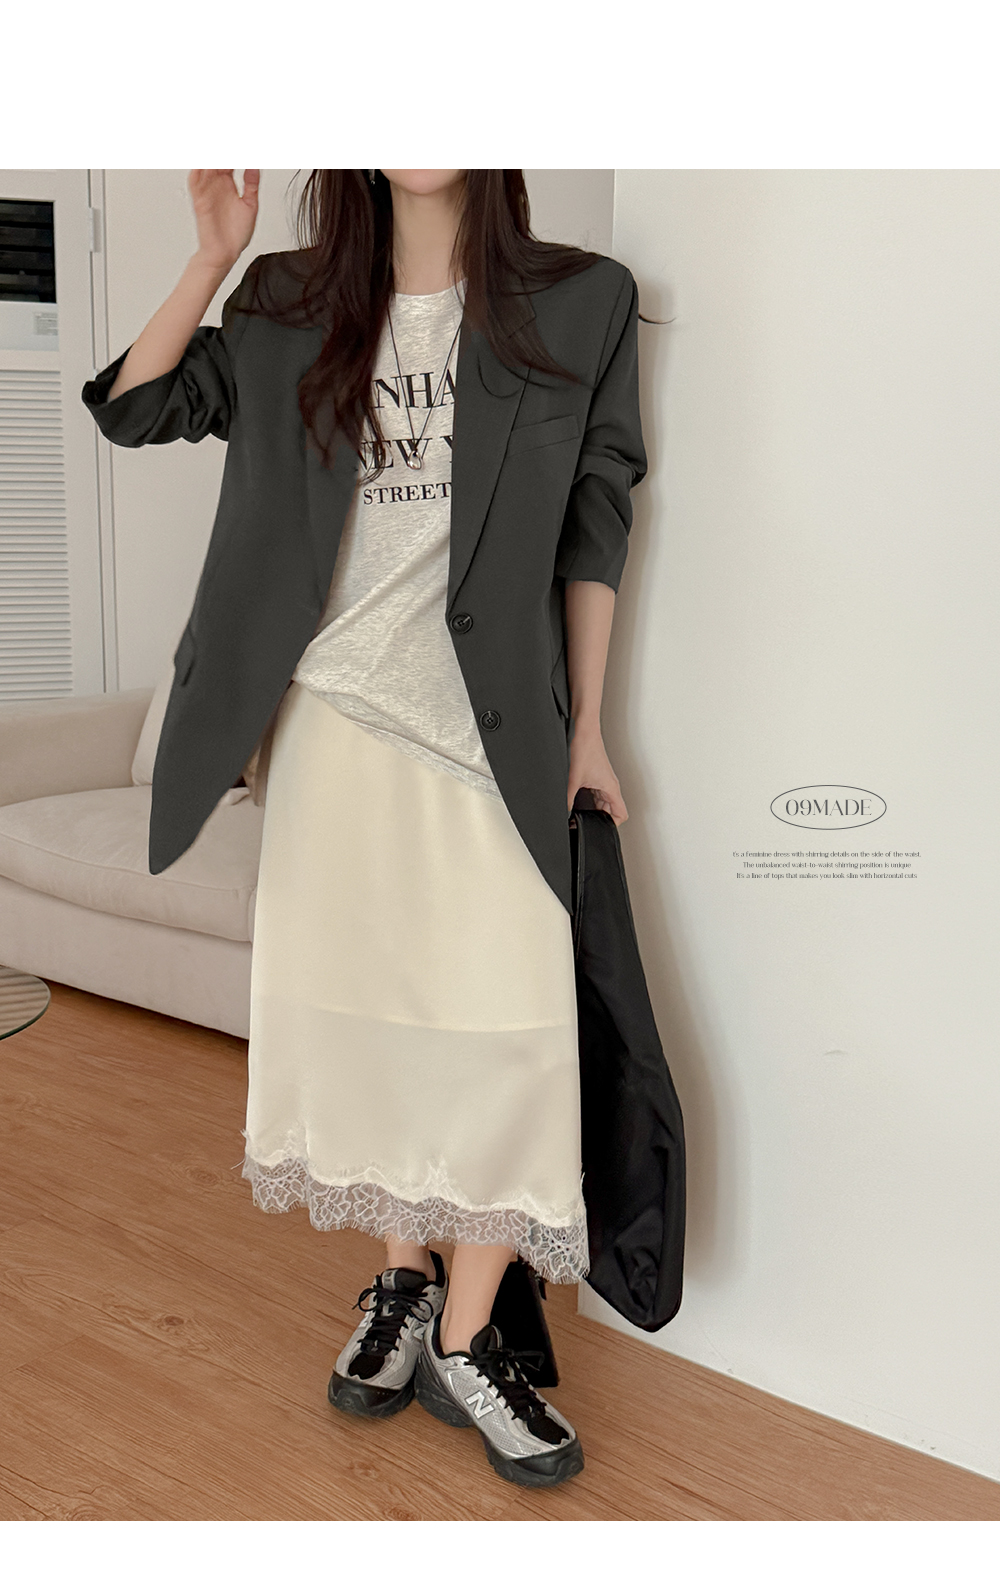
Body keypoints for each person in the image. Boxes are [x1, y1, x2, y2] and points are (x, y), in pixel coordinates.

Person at [82, 168, 646, 1490]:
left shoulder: (581, 300)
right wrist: (211, 257)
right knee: (362, 1025)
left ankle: (467, 1337)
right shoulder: (284, 301)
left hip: (487, 734)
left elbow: (596, 518)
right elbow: (135, 407)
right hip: (331, 722)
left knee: (512, 1036)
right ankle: (402, 1281)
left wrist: (587, 728)